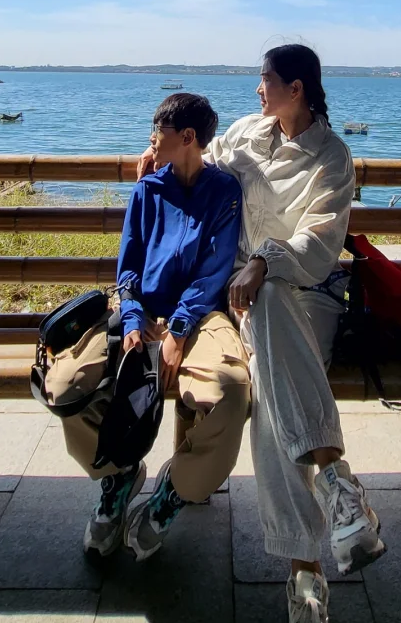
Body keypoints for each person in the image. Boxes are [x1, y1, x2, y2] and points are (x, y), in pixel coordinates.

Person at [207, 45, 385, 623]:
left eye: (266, 82)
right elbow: (203, 160)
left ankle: (306, 585)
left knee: (267, 388)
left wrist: (265, 262)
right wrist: (154, 151)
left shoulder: (332, 157)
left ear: (296, 88)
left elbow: (318, 243)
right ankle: (336, 489)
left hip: (307, 297)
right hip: (247, 299)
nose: (256, 91)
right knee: (267, 344)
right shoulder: (246, 137)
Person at [45, 92, 249, 562]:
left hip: (198, 317)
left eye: (158, 136)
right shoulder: (147, 190)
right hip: (139, 311)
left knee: (233, 392)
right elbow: (129, 266)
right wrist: (134, 318)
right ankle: (117, 474)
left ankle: (173, 492)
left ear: (189, 138)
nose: (151, 144)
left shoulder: (224, 192)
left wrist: (177, 332)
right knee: (65, 384)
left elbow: (214, 272)